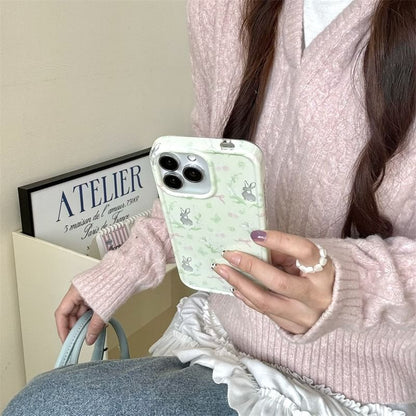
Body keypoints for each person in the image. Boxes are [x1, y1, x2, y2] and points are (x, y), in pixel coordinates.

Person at [4, 0, 416, 414]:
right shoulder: (219, 7)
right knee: (44, 401)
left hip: (360, 382)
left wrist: (352, 284)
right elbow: (205, 178)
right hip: (222, 340)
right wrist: (124, 266)